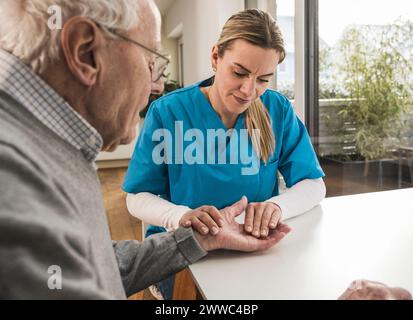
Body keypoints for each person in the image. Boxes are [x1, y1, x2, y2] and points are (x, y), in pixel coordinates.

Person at [0, 0, 291, 299]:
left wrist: (201, 240)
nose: (157, 85)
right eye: (151, 61)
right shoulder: (12, 170)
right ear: (84, 51)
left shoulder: (45, 145)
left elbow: (92, 265)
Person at [123, 9, 326, 299]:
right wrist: (182, 216)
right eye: (239, 73)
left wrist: (277, 207)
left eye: (263, 79)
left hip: (253, 250)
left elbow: (313, 185)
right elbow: (137, 196)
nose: (249, 90)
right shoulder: (168, 112)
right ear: (216, 57)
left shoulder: (277, 110)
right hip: (184, 252)